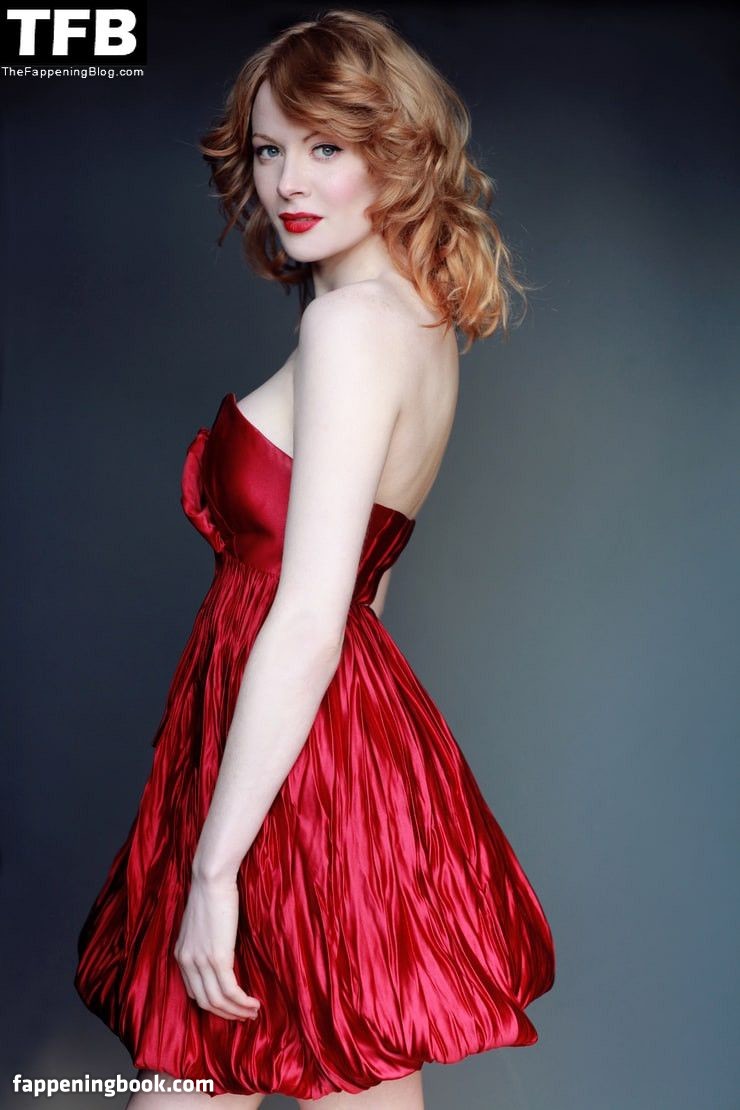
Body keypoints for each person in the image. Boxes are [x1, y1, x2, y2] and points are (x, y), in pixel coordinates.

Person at [73, 9, 556, 1108]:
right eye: (267, 149)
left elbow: (311, 611)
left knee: (219, 1068)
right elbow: (368, 588)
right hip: (316, 743)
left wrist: (215, 866)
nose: (287, 181)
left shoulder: (351, 329)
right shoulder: (416, 320)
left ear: (395, 150)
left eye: (325, 146)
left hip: (288, 751)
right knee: (320, 1069)